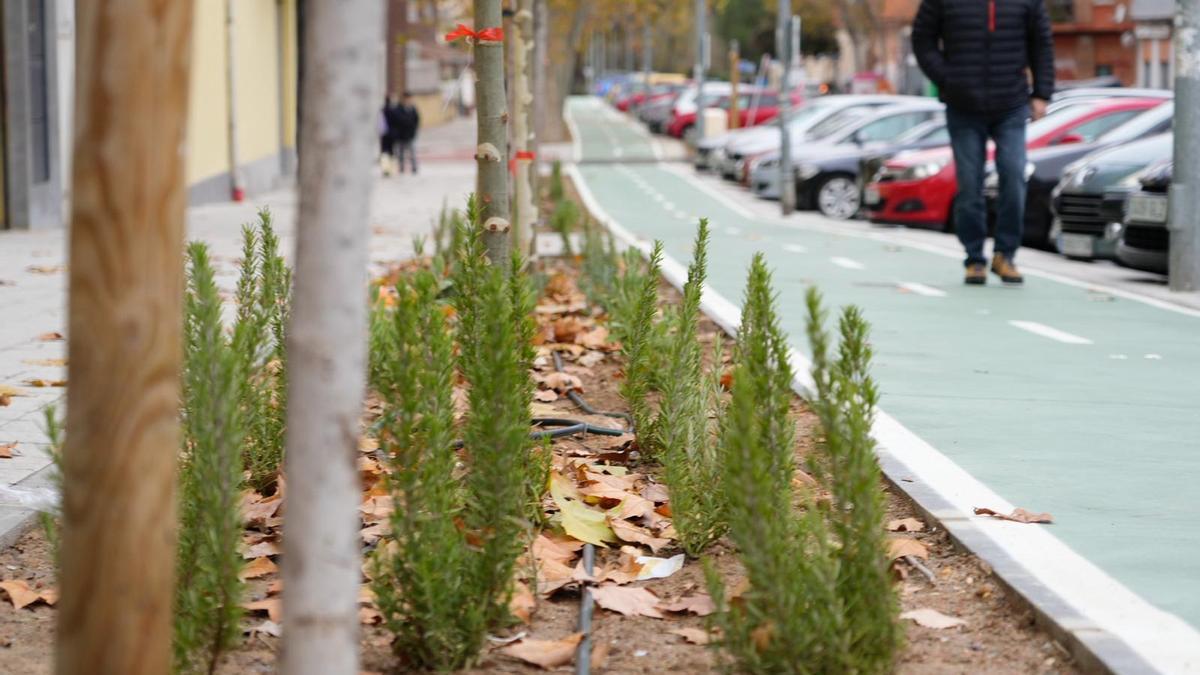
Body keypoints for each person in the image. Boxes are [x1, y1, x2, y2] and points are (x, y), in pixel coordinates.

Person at [912, 0, 1054, 285]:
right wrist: (947, 78)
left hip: (1011, 102)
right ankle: (974, 258)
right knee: (969, 184)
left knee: (1014, 175)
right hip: (962, 104)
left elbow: (1042, 43)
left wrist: (1042, 93)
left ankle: (1006, 254)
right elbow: (922, 40)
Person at [389, 92, 420, 174]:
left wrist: (414, 129)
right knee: (400, 154)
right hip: (401, 135)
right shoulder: (398, 109)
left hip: (410, 134)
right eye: (407, 99)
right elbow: (397, 120)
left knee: (412, 152)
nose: (409, 100)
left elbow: (417, 120)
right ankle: (401, 168)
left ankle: (414, 168)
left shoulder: (413, 109)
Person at [379, 94, 399, 176]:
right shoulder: (393, 110)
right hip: (392, 134)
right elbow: (397, 122)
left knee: (384, 152)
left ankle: (385, 169)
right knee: (391, 152)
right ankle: (392, 169)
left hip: (384, 134)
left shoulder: (382, 110)